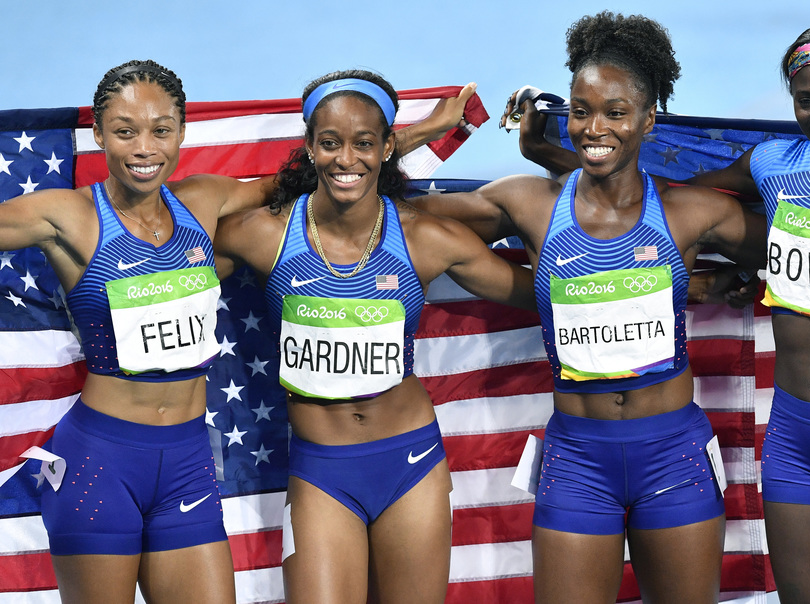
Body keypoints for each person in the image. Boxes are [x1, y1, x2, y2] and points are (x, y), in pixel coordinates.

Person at [509, 18, 810, 604]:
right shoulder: (772, 166)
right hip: (792, 440)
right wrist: (545, 149)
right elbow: (657, 199)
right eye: (806, 101)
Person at [0, 59, 474, 604]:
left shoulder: (204, 202)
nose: (143, 148)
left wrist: (415, 136)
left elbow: (324, 174)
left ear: (182, 132)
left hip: (185, 467)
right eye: (124, 131)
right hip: (99, 463)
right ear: (99, 134)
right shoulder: (67, 213)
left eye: (160, 130)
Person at [412, 12, 766, 604]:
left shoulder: (692, 213)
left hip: (673, 455)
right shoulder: (527, 204)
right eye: (581, 111)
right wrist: (423, 131)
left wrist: (721, 282)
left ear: (650, 121)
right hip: (578, 460)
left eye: (615, 113)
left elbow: (798, 240)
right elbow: (391, 214)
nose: (594, 126)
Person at [212, 69, 536, 604]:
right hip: (321, 471)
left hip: (409, 462)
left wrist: (689, 282)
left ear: (388, 146)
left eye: (365, 143)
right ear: (310, 146)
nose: (346, 159)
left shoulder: (426, 238)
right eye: (330, 143)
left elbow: (541, 294)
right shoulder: (263, 233)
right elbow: (171, 276)